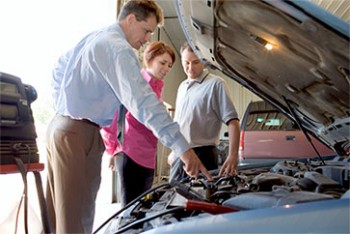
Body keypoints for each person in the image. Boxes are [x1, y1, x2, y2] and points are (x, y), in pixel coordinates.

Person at [45, 1, 211, 233]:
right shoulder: (118, 48)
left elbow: (58, 71)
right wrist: (183, 148)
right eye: (146, 31)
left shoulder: (95, 37)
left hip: (61, 127)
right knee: (75, 221)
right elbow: (144, 103)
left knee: (54, 217)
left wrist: (64, 106)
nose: (146, 39)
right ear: (131, 19)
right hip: (79, 132)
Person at [101, 41, 176, 207]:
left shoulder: (156, 87)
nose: (166, 69)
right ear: (149, 59)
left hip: (148, 154)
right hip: (130, 152)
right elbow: (113, 117)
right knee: (129, 208)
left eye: (170, 65)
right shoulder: (136, 83)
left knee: (143, 206)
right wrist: (113, 150)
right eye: (162, 63)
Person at [168, 42, 241, 182]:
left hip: (203, 153)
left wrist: (233, 156)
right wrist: (174, 150)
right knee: (173, 198)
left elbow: (233, 121)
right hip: (180, 153)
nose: (190, 68)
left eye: (195, 62)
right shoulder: (182, 87)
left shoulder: (216, 84)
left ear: (204, 60)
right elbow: (179, 122)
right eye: (186, 62)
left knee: (199, 199)